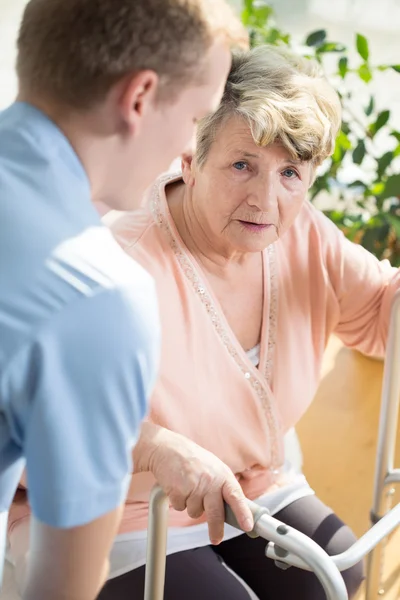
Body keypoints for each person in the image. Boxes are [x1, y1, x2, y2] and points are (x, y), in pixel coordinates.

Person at [100, 44, 400, 598]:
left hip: (253, 487)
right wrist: (156, 447)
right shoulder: (118, 264)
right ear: (189, 160)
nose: (266, 200)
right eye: (243, 165)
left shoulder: (303, 234)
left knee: (338, 571)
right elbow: (36, 418)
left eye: (291, 172)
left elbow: (384, 315)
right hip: (127, 510)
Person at [0, 1, 252, 599]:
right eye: (196, 117)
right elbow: (62, 588)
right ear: (139, 97)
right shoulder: (97, 293)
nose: (188, 150)